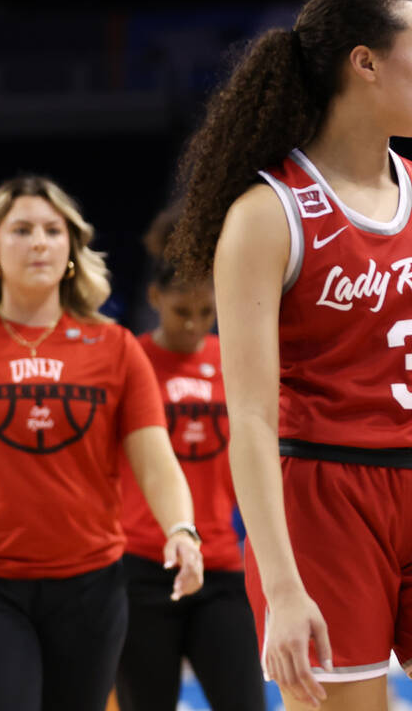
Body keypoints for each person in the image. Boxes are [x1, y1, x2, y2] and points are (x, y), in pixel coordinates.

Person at [166, 0, 412, 711]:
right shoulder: (267, 213)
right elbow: (248, 417)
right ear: (364, 63)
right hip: (325, 503)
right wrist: (280, 585)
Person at [0, 176, 204, 711]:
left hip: (90, 589)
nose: (39, 241)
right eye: (21, 230)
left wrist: (181, 530)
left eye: (53, 230)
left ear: (72, 249)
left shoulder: (114, 348)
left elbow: (157, 461)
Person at [115, 210, 264, 711]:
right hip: (140, 565)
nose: (195, 323)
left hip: (220, 564)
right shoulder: (128, 362)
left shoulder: (235, 359)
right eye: (182, 310)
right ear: (155, 298)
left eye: (206, 311)